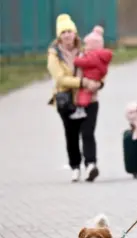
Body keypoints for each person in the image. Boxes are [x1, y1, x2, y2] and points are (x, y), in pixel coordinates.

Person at [47, 14, 104, 182]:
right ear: (59, 36)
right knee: (71, 135)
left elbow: (98, 66)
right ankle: (75, 166)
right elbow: (60, 79)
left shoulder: (86, 48)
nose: (67, 35)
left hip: (89, 99)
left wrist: (99, 83)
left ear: (75, 33)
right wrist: (83, 82)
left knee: (88, 133)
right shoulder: (54, 55)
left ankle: (91, 165)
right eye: (63, 32)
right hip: (67, 101)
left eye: (69, 31)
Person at [74, 25, 113, 108]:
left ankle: (81, 106)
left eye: (86, 44)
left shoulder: (92, 56)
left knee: (85, 92)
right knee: (89, 92)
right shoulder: (101, 55)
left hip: (90, 77)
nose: (85, 47)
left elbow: (85, 62)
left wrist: (76, 60)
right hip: (97, 77)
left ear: (92, 46)